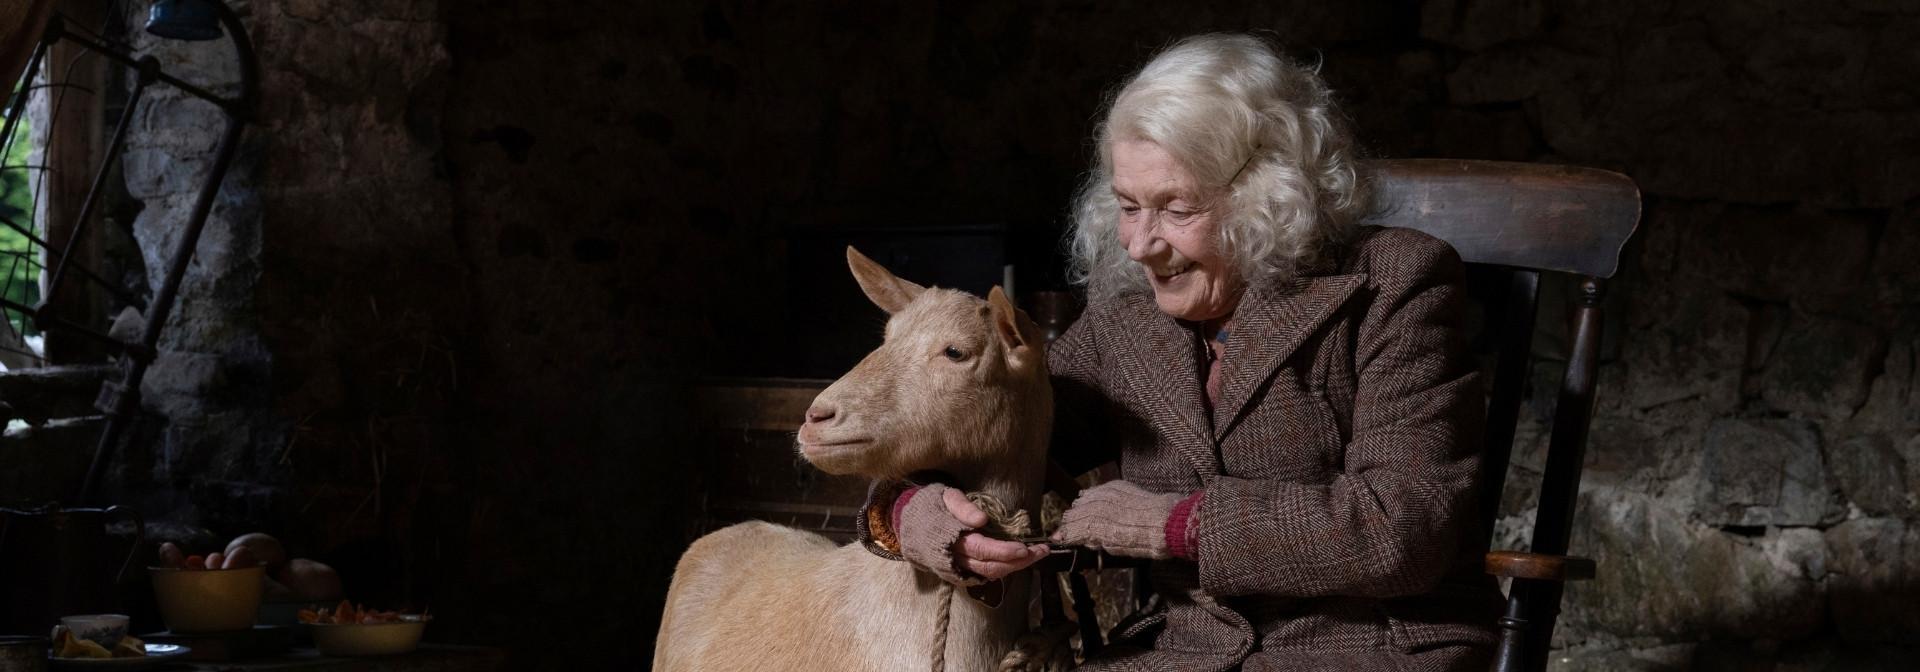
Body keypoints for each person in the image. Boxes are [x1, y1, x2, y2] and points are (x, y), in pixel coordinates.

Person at [859, 33, 1501, 670]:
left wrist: (1175, 524)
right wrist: (914, 515)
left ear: (1266, 200)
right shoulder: (1127, 320)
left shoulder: (1397, 282)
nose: (1139, 245)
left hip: (1370, 649)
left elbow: (1403, 529)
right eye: (1128, 206)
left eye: (1174, 208)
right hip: (1183, 654)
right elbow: (994, 432)